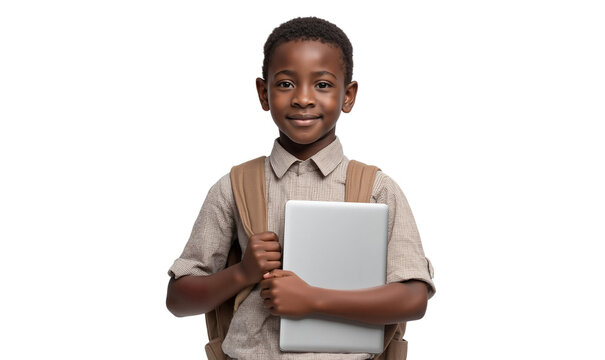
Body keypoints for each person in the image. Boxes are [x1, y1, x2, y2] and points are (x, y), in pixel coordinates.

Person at [166, 17, 435, 359]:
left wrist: (312, 299)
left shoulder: (377, 189)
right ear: (264, 93)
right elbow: (178, 299)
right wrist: (242, 273)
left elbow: (413, 300)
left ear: (348, 95)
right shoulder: (234, 188)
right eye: (286, 84)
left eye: (322, 84)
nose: (303, 99)